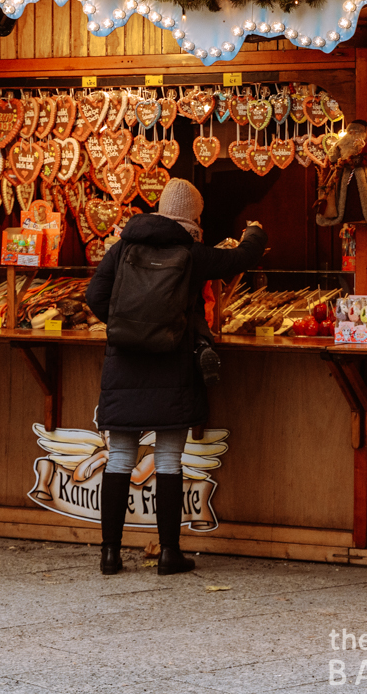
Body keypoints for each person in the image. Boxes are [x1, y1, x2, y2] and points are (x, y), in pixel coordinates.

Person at [84, 179, 265, 577]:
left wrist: (129, 326)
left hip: (125, 363)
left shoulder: (123, 247)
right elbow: (240, 259)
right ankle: (168, 554)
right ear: (194, 217)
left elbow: (95, 295)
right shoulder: (192, 253)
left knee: (119, 459)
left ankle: (110, 555)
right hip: (172, 365)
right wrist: (254, 231)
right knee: (168, 458)